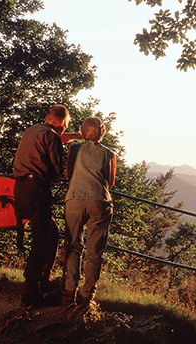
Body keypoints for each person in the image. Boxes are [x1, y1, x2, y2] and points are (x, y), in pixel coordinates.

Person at [13, 104, 81, 307]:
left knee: (51, 231)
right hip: (37, 188)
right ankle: (31, 287)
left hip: (20, 187)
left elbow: (58, 136)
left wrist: (79, 134)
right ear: (63, 122)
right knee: (42, 236)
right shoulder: (51, 138)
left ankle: (44, 278)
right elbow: (56, 170)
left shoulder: (32, 130)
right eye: (66, 125)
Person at [60, 116, 116, 308]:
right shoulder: (110, 154)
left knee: (73, 245)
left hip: (75, 197)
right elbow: (111, 181)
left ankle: (69, 292)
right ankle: (87, 296)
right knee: (95, 251)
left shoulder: (74, 149)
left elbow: (68, 173)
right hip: (100, 200)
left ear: (84, 131)